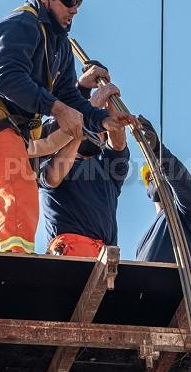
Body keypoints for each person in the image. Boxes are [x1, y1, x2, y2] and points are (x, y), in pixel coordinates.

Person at [0, 0, 135, 253]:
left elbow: (69, 97)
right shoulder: (19, 25)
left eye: (78, 3)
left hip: (12, 130)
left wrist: (101, 120)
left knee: (4, 204)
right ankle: (12, 266)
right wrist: (56, 108)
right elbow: (7, 79)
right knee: (17, 195)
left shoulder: (60, 46)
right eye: (69, 1)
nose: (74, 9)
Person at [39, 82, 129, 257]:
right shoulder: (49, 161)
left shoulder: (108, 171)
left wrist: (112, 107)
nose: (95, 133)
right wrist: (90, 110)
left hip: (103, 256)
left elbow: (118, 144)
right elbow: (53, 177)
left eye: (100, 130)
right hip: (69, 251)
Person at [135, 117, 191, 265]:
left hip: (179, 286)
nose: (154, 180)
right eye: (150, 177)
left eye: (157, 173)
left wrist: (158, 150)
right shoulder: (143, 242)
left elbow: (183, 182)